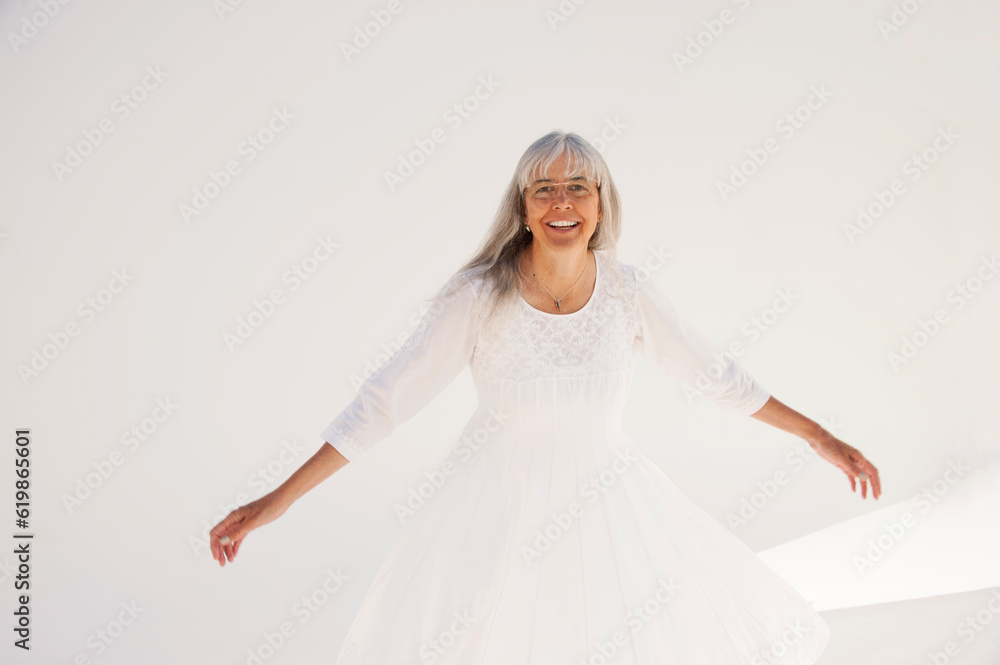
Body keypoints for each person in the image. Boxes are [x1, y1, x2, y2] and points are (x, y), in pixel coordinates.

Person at [210, 130, 881, 664]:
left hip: (612, 505)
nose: (563, 203)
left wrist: (820, 437)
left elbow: (716, 373)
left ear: (600, 203)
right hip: (494, 510)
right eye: (546, 189)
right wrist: (278, 499)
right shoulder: (480, 297)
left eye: (578, 188)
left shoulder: (626, 290)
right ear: (524, 207)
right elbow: (384, 403)